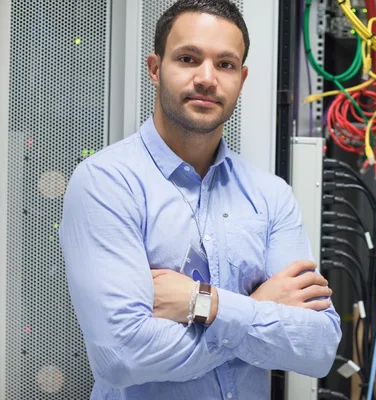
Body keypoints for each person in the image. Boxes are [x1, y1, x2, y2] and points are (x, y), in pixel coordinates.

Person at [58, 0, 342, 398]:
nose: (207, 78)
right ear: (155, 69)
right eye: (189, 58)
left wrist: (202, 302)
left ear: (241, 78)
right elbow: (122, 356)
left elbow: (318, 348)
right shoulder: (107, 183)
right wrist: (259, 308)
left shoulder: (270, 195)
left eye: (225, 64)